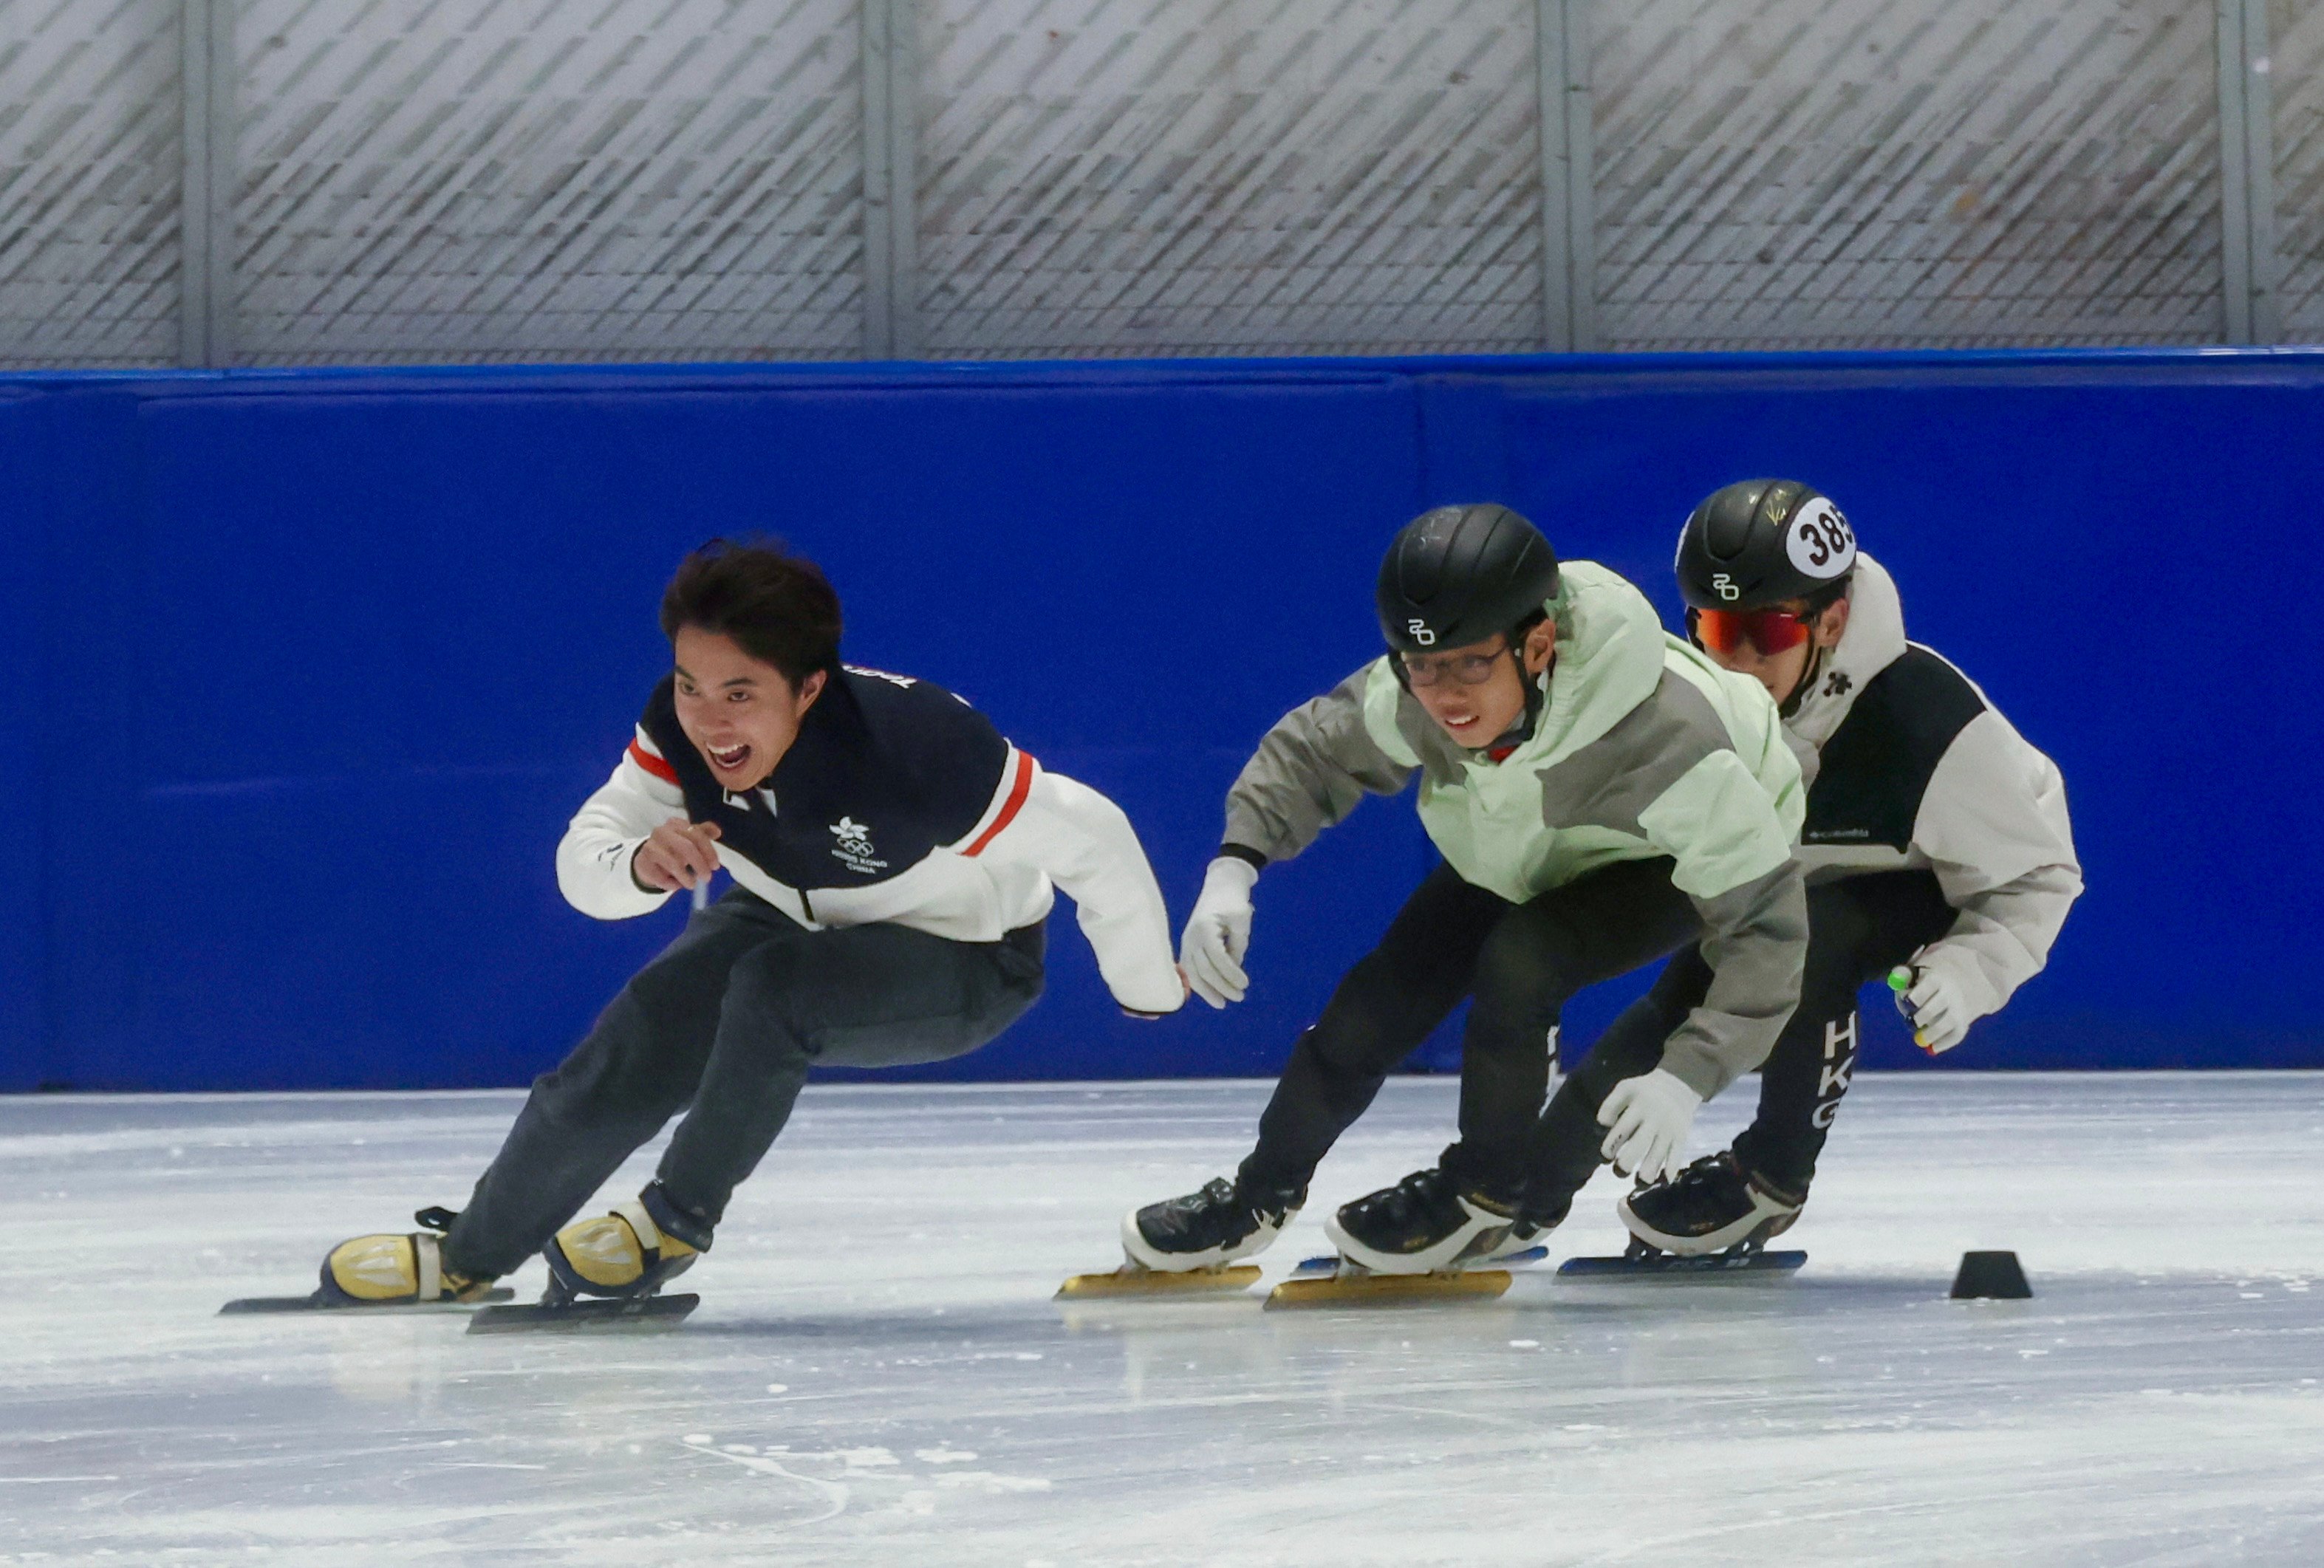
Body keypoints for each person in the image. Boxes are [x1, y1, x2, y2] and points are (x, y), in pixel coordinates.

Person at [315, 541, 1185, 1307]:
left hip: (967, 957)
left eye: (740, 692)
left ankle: (673, 1220)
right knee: (641, 1031)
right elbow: (585, 859)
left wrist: (1143, 985)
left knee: (773, 992)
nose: (710, 720)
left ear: (810, 687)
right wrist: (637, 866)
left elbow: (1094, 836)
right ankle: (470, 1252)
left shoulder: (915, 747)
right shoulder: (676, 730)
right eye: (692, 686)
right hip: (787, 914)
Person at [1121, 503, 1808, 1277]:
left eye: (1471, 665)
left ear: (1538, 643)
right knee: (1373, 1001)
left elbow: (1766, 930)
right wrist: (1232, 867)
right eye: (1423, 666)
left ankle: (1483, 1193)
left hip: (1666, 855)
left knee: (1524, 957)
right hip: (1526, 841)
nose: (1444, 697)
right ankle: (1255, 1195)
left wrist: (1688, 1075)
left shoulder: (1668, 745)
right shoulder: (1420, 689)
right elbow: (1312, 751)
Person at [1609, 479, 2080, 1255]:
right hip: (1800, 884)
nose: (1742, 662)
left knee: (1811, 941)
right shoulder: (1695, 706)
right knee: (1690, 983)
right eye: (1721, 631)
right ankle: (1521, 1187)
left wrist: (1966, 971)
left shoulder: (1928, 720)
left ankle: (1770, 1181)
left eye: (1767, 632)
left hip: (1937, 881)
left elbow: (2036, 877)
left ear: (1830, 620)